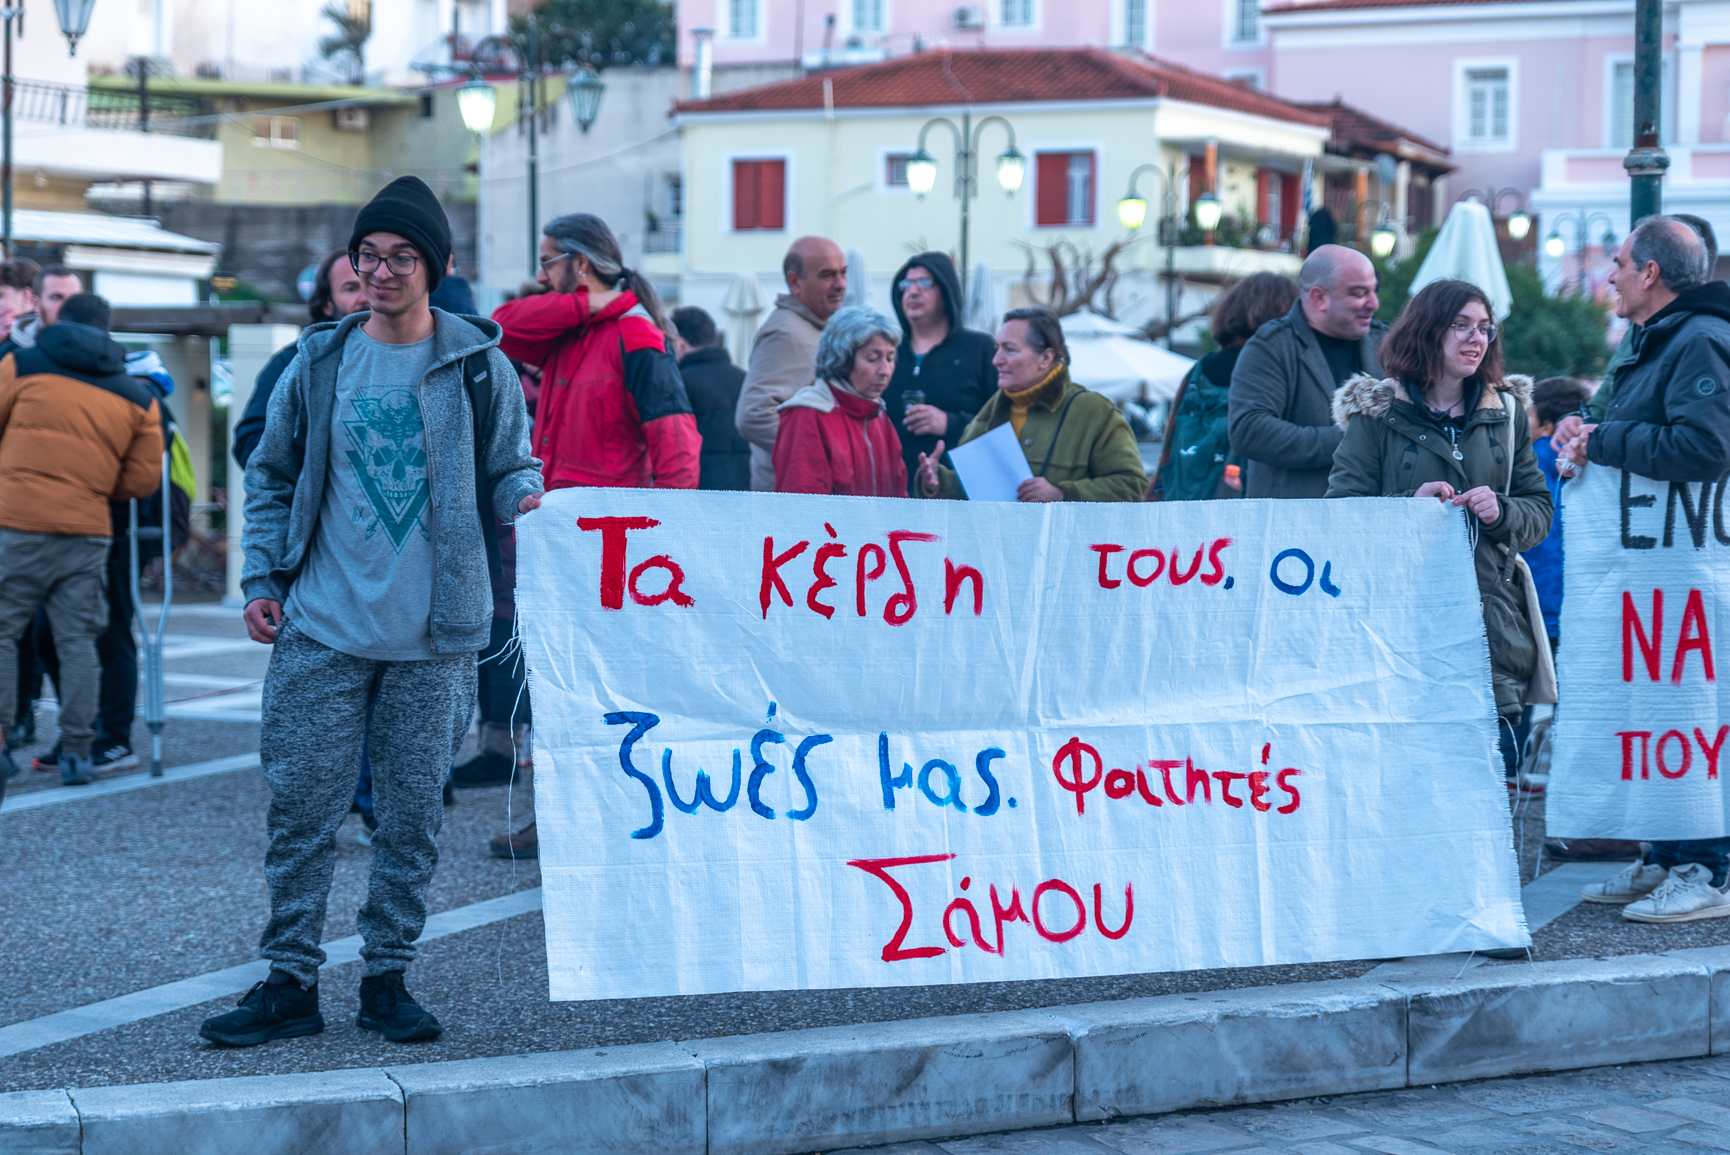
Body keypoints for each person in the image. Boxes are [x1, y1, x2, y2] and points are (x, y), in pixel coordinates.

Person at [204, 176, 542, 1047]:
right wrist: (261, 579)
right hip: (321, 625)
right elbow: (271, 474)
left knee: (411, 817)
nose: (382, 271)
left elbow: (512, 464)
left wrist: (532, 498)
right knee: (302, 811)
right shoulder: (319, 361)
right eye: (369, 256)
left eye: (401, 257)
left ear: (438, 268)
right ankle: (289, 981)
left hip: (437, 633)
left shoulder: (478, 366)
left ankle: (388, 977)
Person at [1555, 216, 1730, 923]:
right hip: (1657, 578)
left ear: (1651, 272)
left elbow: (1705, 447)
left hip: (1687, 577)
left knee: (1689, 711)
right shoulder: (1654, 339)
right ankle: (1665, 854)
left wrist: (1604, 439)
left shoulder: (1701, 339)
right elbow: (1611, 425)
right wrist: (1581, 432)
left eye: (1620, 262)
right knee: (1655, 709)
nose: (1610, 275)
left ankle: (1708, 868)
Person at [1327, 278, 1552, 768]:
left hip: (1493, 624)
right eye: (1461, 326)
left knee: (1493, 786)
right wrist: (1411, 506)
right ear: (1428, 331)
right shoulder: (1377, 412)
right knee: (1408, 781)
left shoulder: (1507, 411)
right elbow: (1340, 513)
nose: (1476, 339)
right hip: (1401, 629)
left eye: (1485, 329)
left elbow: (1539, 511)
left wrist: (1502, 511)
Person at [0, 286, 163, 785]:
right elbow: (140, 482)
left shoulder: (20, 366)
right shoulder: (139, 397)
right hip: (87, 531)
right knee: (78, 642)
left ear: (57, 319)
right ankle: (78, 750)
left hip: (14, 523)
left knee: (3, 634)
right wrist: (90, 483)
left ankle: (3, 743)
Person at [23, 298, 193, 775]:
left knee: (111, 628)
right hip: (70, 524)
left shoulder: (134, 387)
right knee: (48, 634)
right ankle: (82, 730)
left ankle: (114, 737)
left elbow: (143, 468)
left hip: (125, 526)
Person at [494, 212, 698, 491]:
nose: (541, 278)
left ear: (580, 262)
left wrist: (666, 526)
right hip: (557, 520)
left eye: (547, 264)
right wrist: (588, 302)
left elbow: (676, 446)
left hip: (605, 526)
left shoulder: (636, 334)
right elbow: (500, 325)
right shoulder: (567, 333)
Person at [915, 307, 1146, 503]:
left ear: (1046, 358)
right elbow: (975, 493)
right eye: (997, 349)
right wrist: (938, 482)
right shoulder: (987, 415)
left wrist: (1062, 493)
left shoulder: (1095, 412)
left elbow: (1134, 486)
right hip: (995, 551)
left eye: (1010, 349)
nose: (996, 360)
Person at [1228, 245, 1387, 498]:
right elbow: (1249, 430)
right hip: (1295, 524)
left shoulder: (1386, 342)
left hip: (1375, 519)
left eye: (1374, 291)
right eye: (1359, 293)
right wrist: (1355, 440)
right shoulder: (1271, 345)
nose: (1373, 303)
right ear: (1318, 297)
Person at [1150, 272, 1300, 501]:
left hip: (1186, 502)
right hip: (1248, 503)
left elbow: (1169, 444)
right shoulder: (1280, 369)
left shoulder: (1201, 369)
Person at [233, 249, 370, 470]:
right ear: (327, 303)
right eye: (351, 288)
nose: (365, 298)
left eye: (371, 286)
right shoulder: (295, 361)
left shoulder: (414, 357)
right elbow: (249, 444)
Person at [736, 236, 848, 490]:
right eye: (827, 275)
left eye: (843, 273)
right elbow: (753, 415)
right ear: (795, 282)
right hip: (790, 497)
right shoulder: (786, 332)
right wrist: (824, 455)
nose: (840, 284)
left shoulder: (812, 325)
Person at [881, 252, 996, 496]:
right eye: (906, 284)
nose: (912, 291)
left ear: (946, 290)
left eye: (924, 283)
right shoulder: (885, 352)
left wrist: (952, 423)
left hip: (961, 494)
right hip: (891, 495)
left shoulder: (980, 349)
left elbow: (1003, 421)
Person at [772, 306, 907, 497]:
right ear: (842, 361)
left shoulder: (878, 415)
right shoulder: (808, 414)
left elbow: (899, 497)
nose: (885, 370)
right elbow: (803, 506)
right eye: (873, 359)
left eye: (890, 358)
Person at [672, 305, 751, 491]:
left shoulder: (678, 384)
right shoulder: (746, 379)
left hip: (701, 491)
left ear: (680, 343)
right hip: (748, 488)